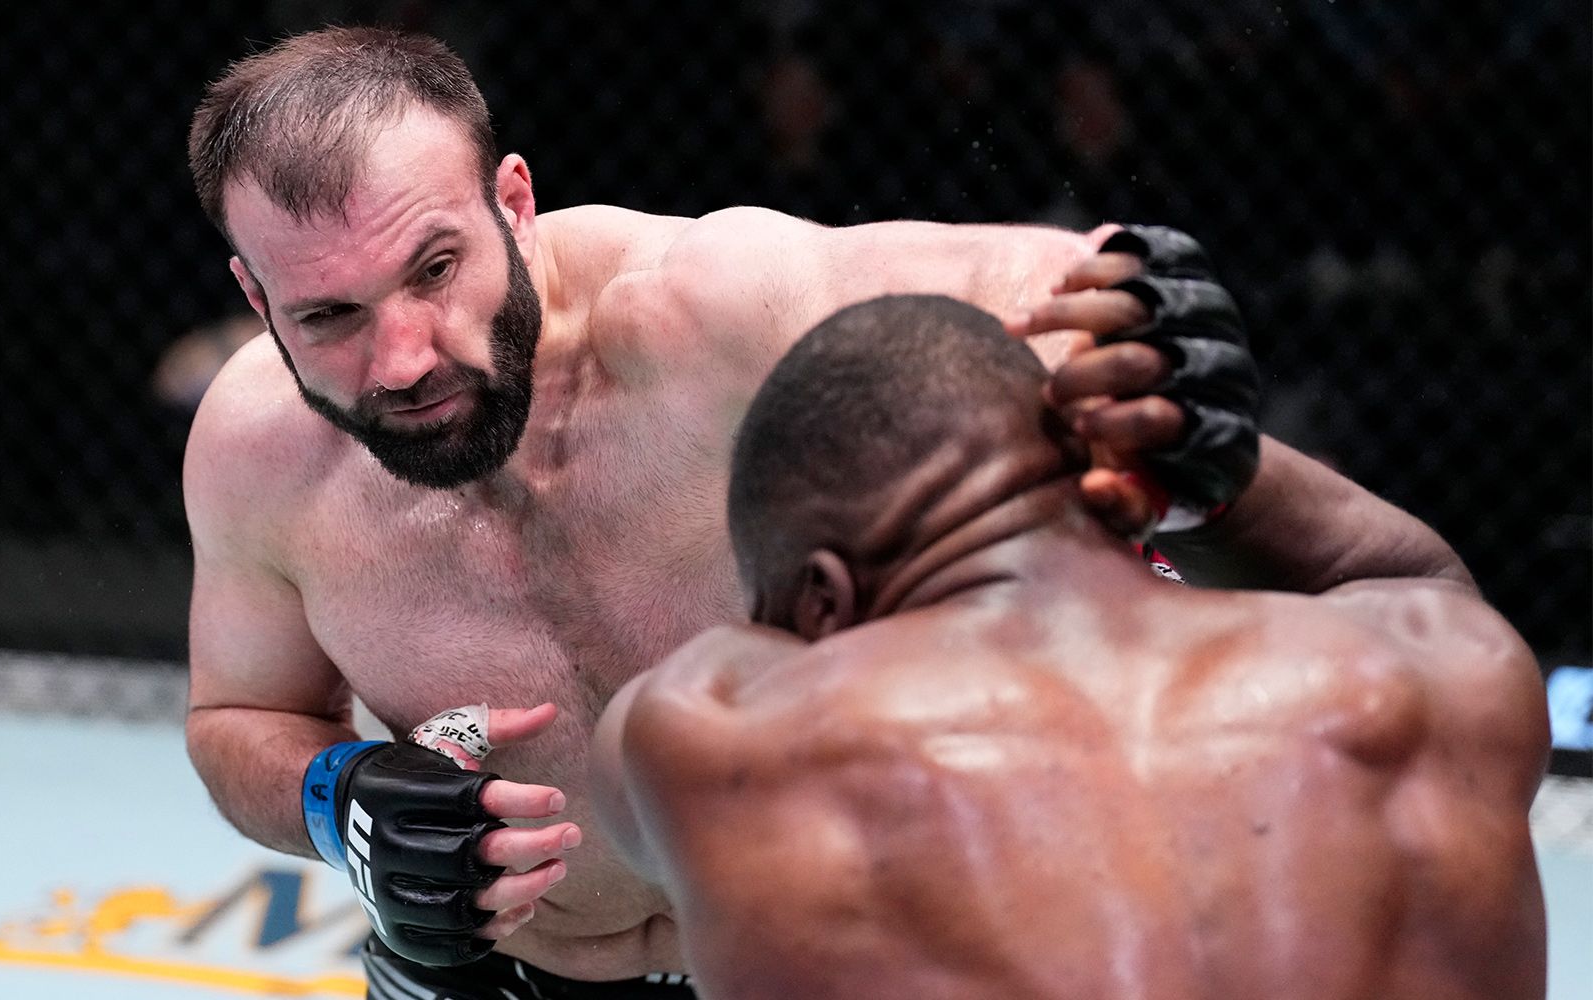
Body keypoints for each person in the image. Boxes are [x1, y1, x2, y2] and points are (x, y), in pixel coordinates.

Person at [182, 25, 1475, 998]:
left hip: (839, 956)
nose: (402, 357)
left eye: (434, 268)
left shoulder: (701, 308)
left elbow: (1020, 281)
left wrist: (1143, 312)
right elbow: (238, 722)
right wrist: (336, 795)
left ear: (513, 203)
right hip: (516, 974)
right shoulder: (254, 454)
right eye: (329, 316)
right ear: (256, 296)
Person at [589, 293, 1549, 1000]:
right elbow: (1417, 575)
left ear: (822, 601)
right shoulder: (1438, 666)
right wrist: (1201, 465)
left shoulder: (724, 733)